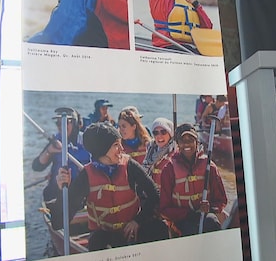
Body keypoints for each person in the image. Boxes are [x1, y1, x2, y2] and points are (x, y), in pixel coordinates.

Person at [49, 122, 168, 250]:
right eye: (116, 145)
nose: (122, 149)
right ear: (102, 149)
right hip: (104, 235)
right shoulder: (86, 176)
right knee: (98, 242)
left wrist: (138, 221)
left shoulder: (129, 165)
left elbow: (155, 194)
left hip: (132, 229)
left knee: (159, 228)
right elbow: (57, 223)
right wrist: (62, 191)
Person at [159, 123, 228, 236]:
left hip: (205, 215)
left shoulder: (209, 166)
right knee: (190, 231)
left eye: (191, 139)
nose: (187, 144)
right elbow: (164, 209)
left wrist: (210, 208)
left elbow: (221, 200)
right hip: (181, 219)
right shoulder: (169, 169)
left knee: (212, 223)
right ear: (177, 144)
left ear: (197, 142)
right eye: (182, 140)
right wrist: (189, 214)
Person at [31, 107, 91, 204]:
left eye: (65, 122)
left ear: (75, 123)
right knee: (49, 193)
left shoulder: (86, 140)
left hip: (81, 193)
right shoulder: (55, 141)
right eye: (58, 123)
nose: (61, 126)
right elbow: (37, 166)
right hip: (57, 192)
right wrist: (49, 150)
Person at [142, 117, 177, 189]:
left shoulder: (175, 151)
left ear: (170, 134)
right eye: (155, 133)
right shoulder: (150, 150)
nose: (159, 136)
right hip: (151, 194)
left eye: (163, 132)